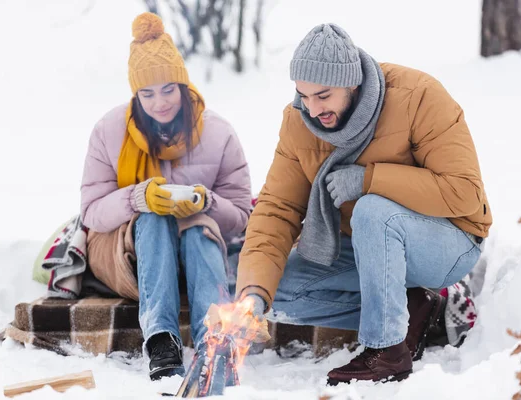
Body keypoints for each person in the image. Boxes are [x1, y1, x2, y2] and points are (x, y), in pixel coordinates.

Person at [234, 23, 491, 384]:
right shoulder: (298, 121)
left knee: (373, 209)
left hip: (448, 242)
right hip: (367, 246)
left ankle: (386, 351)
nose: (312, 108)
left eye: (323, 95)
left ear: (352, 83)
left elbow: (464, 192)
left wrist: (369, 178)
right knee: (279, 292)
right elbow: (277, 209)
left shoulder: (418, 96)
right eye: (303, 96)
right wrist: (253, 294)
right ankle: (415, 309)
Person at [80, 13, 251, 380]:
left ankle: (216, 343)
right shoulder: (109, 131)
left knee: (197, 222)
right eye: (147, 93)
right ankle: (161, 340)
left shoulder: (219, 134)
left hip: (198, 254)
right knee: (154, 216)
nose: (159, 103)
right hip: (126, 255)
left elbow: (241, 216)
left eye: (168, 89)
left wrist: (207, 202)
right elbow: (91, 213)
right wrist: (138, 198)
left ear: (184, 86)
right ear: (135, 95)